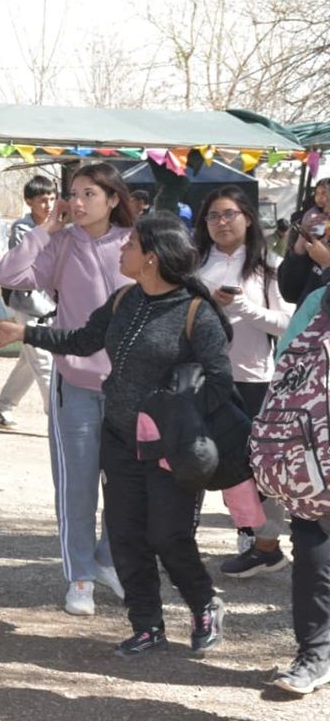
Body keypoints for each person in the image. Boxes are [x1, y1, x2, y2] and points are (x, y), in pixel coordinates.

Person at [0, 213, 233, 657]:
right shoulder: (124, 299)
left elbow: (220, 383)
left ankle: (204, 603)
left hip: (170, 450)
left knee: (168, 535)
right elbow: (84, 340)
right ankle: (147, 624)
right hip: (121, 440)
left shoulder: (197, 314)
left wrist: (176, 418)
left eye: (130, 246)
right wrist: (26, 332)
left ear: (152, 258)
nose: (122, 249)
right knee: (125, 536)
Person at [0, 161, 134, 615]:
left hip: (130, 387)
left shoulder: (135, 243)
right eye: (72, 194)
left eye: (89, 194)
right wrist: (42, 231)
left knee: (129, 485)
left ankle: (109, 560)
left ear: (113, 198)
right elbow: (9, 277)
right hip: (73, 383)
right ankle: (79, 577)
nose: (76, 202)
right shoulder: (61, 243)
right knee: (76, 487)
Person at [195, 186, 294, 578]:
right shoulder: (193, 262)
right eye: (213, 216)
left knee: (258, 465)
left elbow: (287, 322)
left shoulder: (270, 265)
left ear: (248, 218)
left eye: (229, 214)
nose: (221, 222)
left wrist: (243, 307)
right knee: (199, 459)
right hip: (202, 375)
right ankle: (188, 537)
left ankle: (265, 543)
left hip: (252, 377)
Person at [265, 288, 330, 694]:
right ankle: (316, 654)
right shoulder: (321, 299)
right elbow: (285, 365)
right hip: (316, 451)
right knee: (313, 550)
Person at [0, 176, 56, 428]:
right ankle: (57, 418)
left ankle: (2, 407)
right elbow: (29, 263)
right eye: (42, 200)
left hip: (51, 303)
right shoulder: (22, 229)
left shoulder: (59, 225)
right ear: (29, 202)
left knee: (29, 360)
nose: (48, 205)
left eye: (51, 199)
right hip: (27, 303)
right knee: (43, 361)